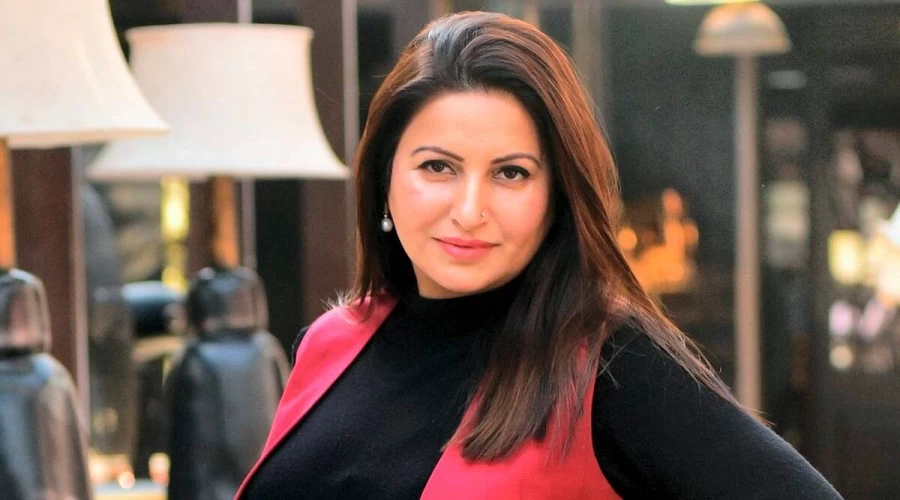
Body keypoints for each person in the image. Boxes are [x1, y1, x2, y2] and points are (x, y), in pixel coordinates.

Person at [237, 11, 842, 499]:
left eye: (511, 173)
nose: (469, 209)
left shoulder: (610, 368)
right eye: (438, 167)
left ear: (557, 197)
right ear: (384, 176)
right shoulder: (331, 342)